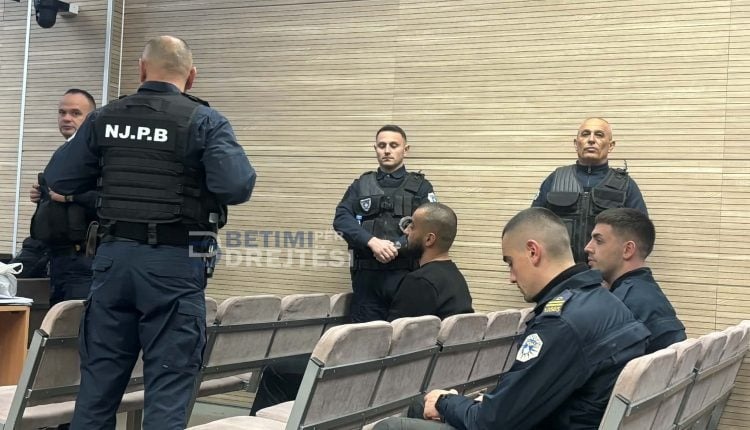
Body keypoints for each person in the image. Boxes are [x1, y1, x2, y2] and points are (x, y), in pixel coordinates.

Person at [43, 36, 257, 429]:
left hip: (113, 262)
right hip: (175, 265)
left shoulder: (105, 118)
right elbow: (237, 186)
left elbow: (59, 177)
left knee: (97, 389)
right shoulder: (204, 121)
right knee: (168, 390)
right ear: (191, 77)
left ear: (142, 70)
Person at [375, 208, 650, 430]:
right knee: (421, 406)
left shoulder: (562, 323)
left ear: (533, 252)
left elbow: (491, 423)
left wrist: (446, 401)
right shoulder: (605, 302)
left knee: (391, 426)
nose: (511, 277)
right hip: (559, 416)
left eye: (510, 262)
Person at [333, 124, 436, 322]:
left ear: (405, 150)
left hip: (406, 277)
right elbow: (342, 218)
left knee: (405, 335)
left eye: (393, 145)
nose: (387, 150)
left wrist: (394, 247)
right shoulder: (360, 185)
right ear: (376, 149)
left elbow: (431, 224)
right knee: (365, 335)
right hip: (367, 281)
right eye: (382, 145)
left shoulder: (421, 187)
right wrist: (372, 242)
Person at [531, 118, 648, 264]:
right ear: (576, 143)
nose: (591, 140)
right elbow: (532, 226)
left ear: (611, 145)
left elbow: (642, 236)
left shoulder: (625, 185)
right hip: (560, 271)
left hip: (605, 274)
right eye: (585, 134)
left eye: (599, 135)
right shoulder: (555, 180)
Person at [26, 89, 97, 304]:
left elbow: (104, 197)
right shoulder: (63, 152)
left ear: (91, 118)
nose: (66, 118)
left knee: (73, 320)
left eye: (75, 113)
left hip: (82, 260)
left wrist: (70, 198)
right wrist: (43, 196)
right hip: (57, 257)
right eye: (62, 112)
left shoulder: (95, 153)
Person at [585, 208, 686, 353]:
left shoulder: (622, 306)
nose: (588, 248)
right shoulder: (649, 293)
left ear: (628, 250)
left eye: (599, 241)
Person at [387, 202, 473, 321]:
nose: (406, 231)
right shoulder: (456, 277)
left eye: (412, 227)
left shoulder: (419, 282)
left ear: (429, 239)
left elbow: (395, 331)